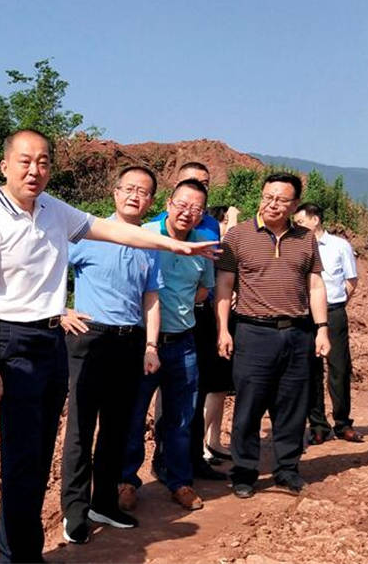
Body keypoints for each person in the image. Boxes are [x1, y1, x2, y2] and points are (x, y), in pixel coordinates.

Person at [0, 130, 217, 562]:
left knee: (40, 455)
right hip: (15, 340)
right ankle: (17, 553)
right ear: (5, 166)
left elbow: (117, 233)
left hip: (51, 342)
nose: (34, 170)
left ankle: (26, 552)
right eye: (25, 161)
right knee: (24, 457)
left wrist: (174, 244)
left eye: (43, 162)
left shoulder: (54, 210)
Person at [59, 165, 163, 544]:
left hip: (130, 341)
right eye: (129, 188)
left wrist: (150, 345)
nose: (135, 196)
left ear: (151, 201)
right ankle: (74, 511)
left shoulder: (149, 243)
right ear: (116, 193)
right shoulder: (87, 233)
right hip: (89, 338)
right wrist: (60, 310)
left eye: (143, 191)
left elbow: (152, 297)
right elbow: (51, 268)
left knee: (117, 427)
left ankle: (103, 503)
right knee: (81, 429)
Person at [215, 172, 330, 499]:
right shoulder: (238, 235)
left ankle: (287, 469)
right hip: (253, 332)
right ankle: (244, 472)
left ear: (295, 204)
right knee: (248, 406)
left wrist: (322, 329)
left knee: (292, 405)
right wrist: (223, 329)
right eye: (268, 196)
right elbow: (224, 285)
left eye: (281, 199)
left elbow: (315, 285)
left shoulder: (305, 239)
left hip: (298, 332)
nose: (272, 204)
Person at [120, 178, 214, 512]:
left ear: (202, 215)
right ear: (168, 204)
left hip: (183, 343)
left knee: (180, 418)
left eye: (196, 209)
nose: (187, 213)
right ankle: (126, 481)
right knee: (133, 415)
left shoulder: (204, 245)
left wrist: (179, 307)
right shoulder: (144, 234)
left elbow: (203, 290)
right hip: (142, 343)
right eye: (182, 204)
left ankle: (179, 481)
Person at [150, 163, 237, 480]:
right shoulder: (148, 231)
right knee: (156, 401)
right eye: (190, 183)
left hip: (194, 321)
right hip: (152, 328)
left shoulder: (209, 228)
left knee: (191, 397)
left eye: (204, 184)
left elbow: (207, 284)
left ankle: (189, 463)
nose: (189, 211)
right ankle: (154, 464)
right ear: (171, 198)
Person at [293, 202, 362, 444]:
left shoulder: (339, 246)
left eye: (300, 222)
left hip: (333, 312)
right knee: (311, 370)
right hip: (304, 315)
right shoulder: (295, 245)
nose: (297, 226)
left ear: (315, 220)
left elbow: (351, 280)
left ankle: (343, 423)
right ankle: (318, 426)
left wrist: (336, 304)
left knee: (339, 368)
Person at [202, 205, 238, 461]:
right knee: (213, 386)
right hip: (212, 322)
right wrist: (233, 218)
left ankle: (213, 440)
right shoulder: (212, 248)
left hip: (226, 321)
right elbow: (229, 243)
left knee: (221, 387)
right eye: (224, 222)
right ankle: (202, 444)